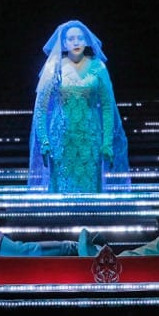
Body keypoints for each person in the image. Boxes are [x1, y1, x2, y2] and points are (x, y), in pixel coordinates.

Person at [28, 19, 130, 192]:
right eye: (71, 39)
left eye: (80, 38)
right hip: (60, 139)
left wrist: (107, 143)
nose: (76, 42)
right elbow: (41, 108)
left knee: (90, 189)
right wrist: (44, 141)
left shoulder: (98, 67)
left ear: (86, 40)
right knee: (61, 190)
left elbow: (107, 106)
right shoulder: (54, 67)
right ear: (64, 43)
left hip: (90, 139)